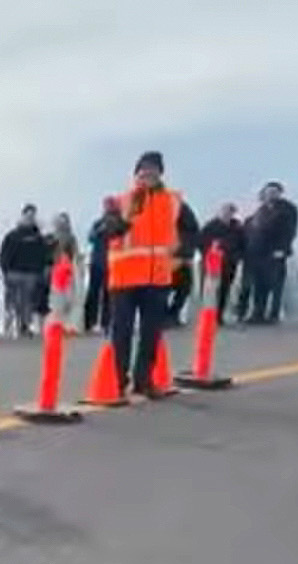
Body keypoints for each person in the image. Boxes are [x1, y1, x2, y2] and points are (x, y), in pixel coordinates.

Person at [99, 151, 200, 397]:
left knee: (151, 333)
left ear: (160, 174)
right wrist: (127, 216)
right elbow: (106, 233)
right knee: (121, 332)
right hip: (124, 278)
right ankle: (118, 380)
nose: (147, 175)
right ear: (136, 174)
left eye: (152, 170)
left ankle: (143, 380)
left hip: (157, 278)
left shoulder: (174, 201)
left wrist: (182, 253)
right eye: (143, 171)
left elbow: (192, 231)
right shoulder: (120, 201)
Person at [242, 181, 298, 325]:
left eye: (274, 192)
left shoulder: (287, 209)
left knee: (275, 284)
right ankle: (258, 313)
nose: (271, 195)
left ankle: (273, 314)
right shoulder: (260, 211)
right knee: (259, 284)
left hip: (275, 252)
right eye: (268, 192)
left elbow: (290, 231)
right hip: (257, 254)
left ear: (279, 193)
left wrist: (283, 249)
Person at [0, 204, 50, 338]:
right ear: (23, 216)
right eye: (28, 215)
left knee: (27, 302)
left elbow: (44, 255)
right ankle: (8, 327)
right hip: (14, 273)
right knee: (12, 301)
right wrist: (5, 271)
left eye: (32, 216)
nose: (30, 218)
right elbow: (4, 254)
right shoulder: (13, 235)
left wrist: (43, 270)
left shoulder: (38, 237)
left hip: (31, 274)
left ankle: (24, 326)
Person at [197, 203, 246, 323]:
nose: (227, 214)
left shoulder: (237, 228)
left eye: (230, 212)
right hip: (212, 263)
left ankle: (219, 316)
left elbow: (243, 244)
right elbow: (200, 242)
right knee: (210, 291)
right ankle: (208, 316)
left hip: (229, 263)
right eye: (225, 211)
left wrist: (237, 256)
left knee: (224, 290)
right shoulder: (210, 226)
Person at [84, 196, 123, 334]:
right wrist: (100, 229)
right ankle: (89, 322)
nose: (108, 208)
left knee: (108, 295)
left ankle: (106, 322)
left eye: (111, 205)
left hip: (113, 262)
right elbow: (91, 238)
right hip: (97, 262)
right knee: (93, 293)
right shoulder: (98, 223)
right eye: (107, 205)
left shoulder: (121, 224)